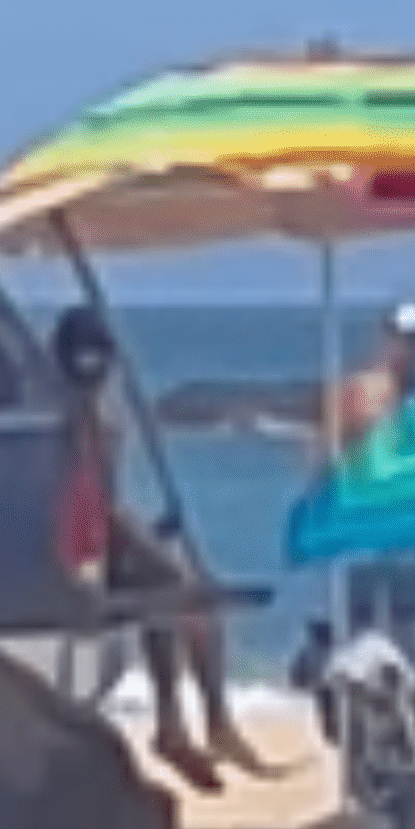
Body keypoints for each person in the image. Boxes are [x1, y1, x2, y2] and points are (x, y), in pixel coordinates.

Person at [48, 307, 271, 794]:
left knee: (170, 597)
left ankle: (183, 722)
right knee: (188, 594)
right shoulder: (71, 415)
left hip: (95, 537)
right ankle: (202, 720)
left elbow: (99, 495)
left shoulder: (82, 409)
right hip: (82, 544)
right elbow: (91, 499)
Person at [322, 300, 415, 653]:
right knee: (358, 622)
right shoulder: (360, 394)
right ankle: (362, 697)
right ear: (387, 339)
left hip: (410, 527)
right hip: (363, 522)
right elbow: (329, 453)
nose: (414, 347)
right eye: (407, 338)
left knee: (407, 625)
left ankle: (409, 697)